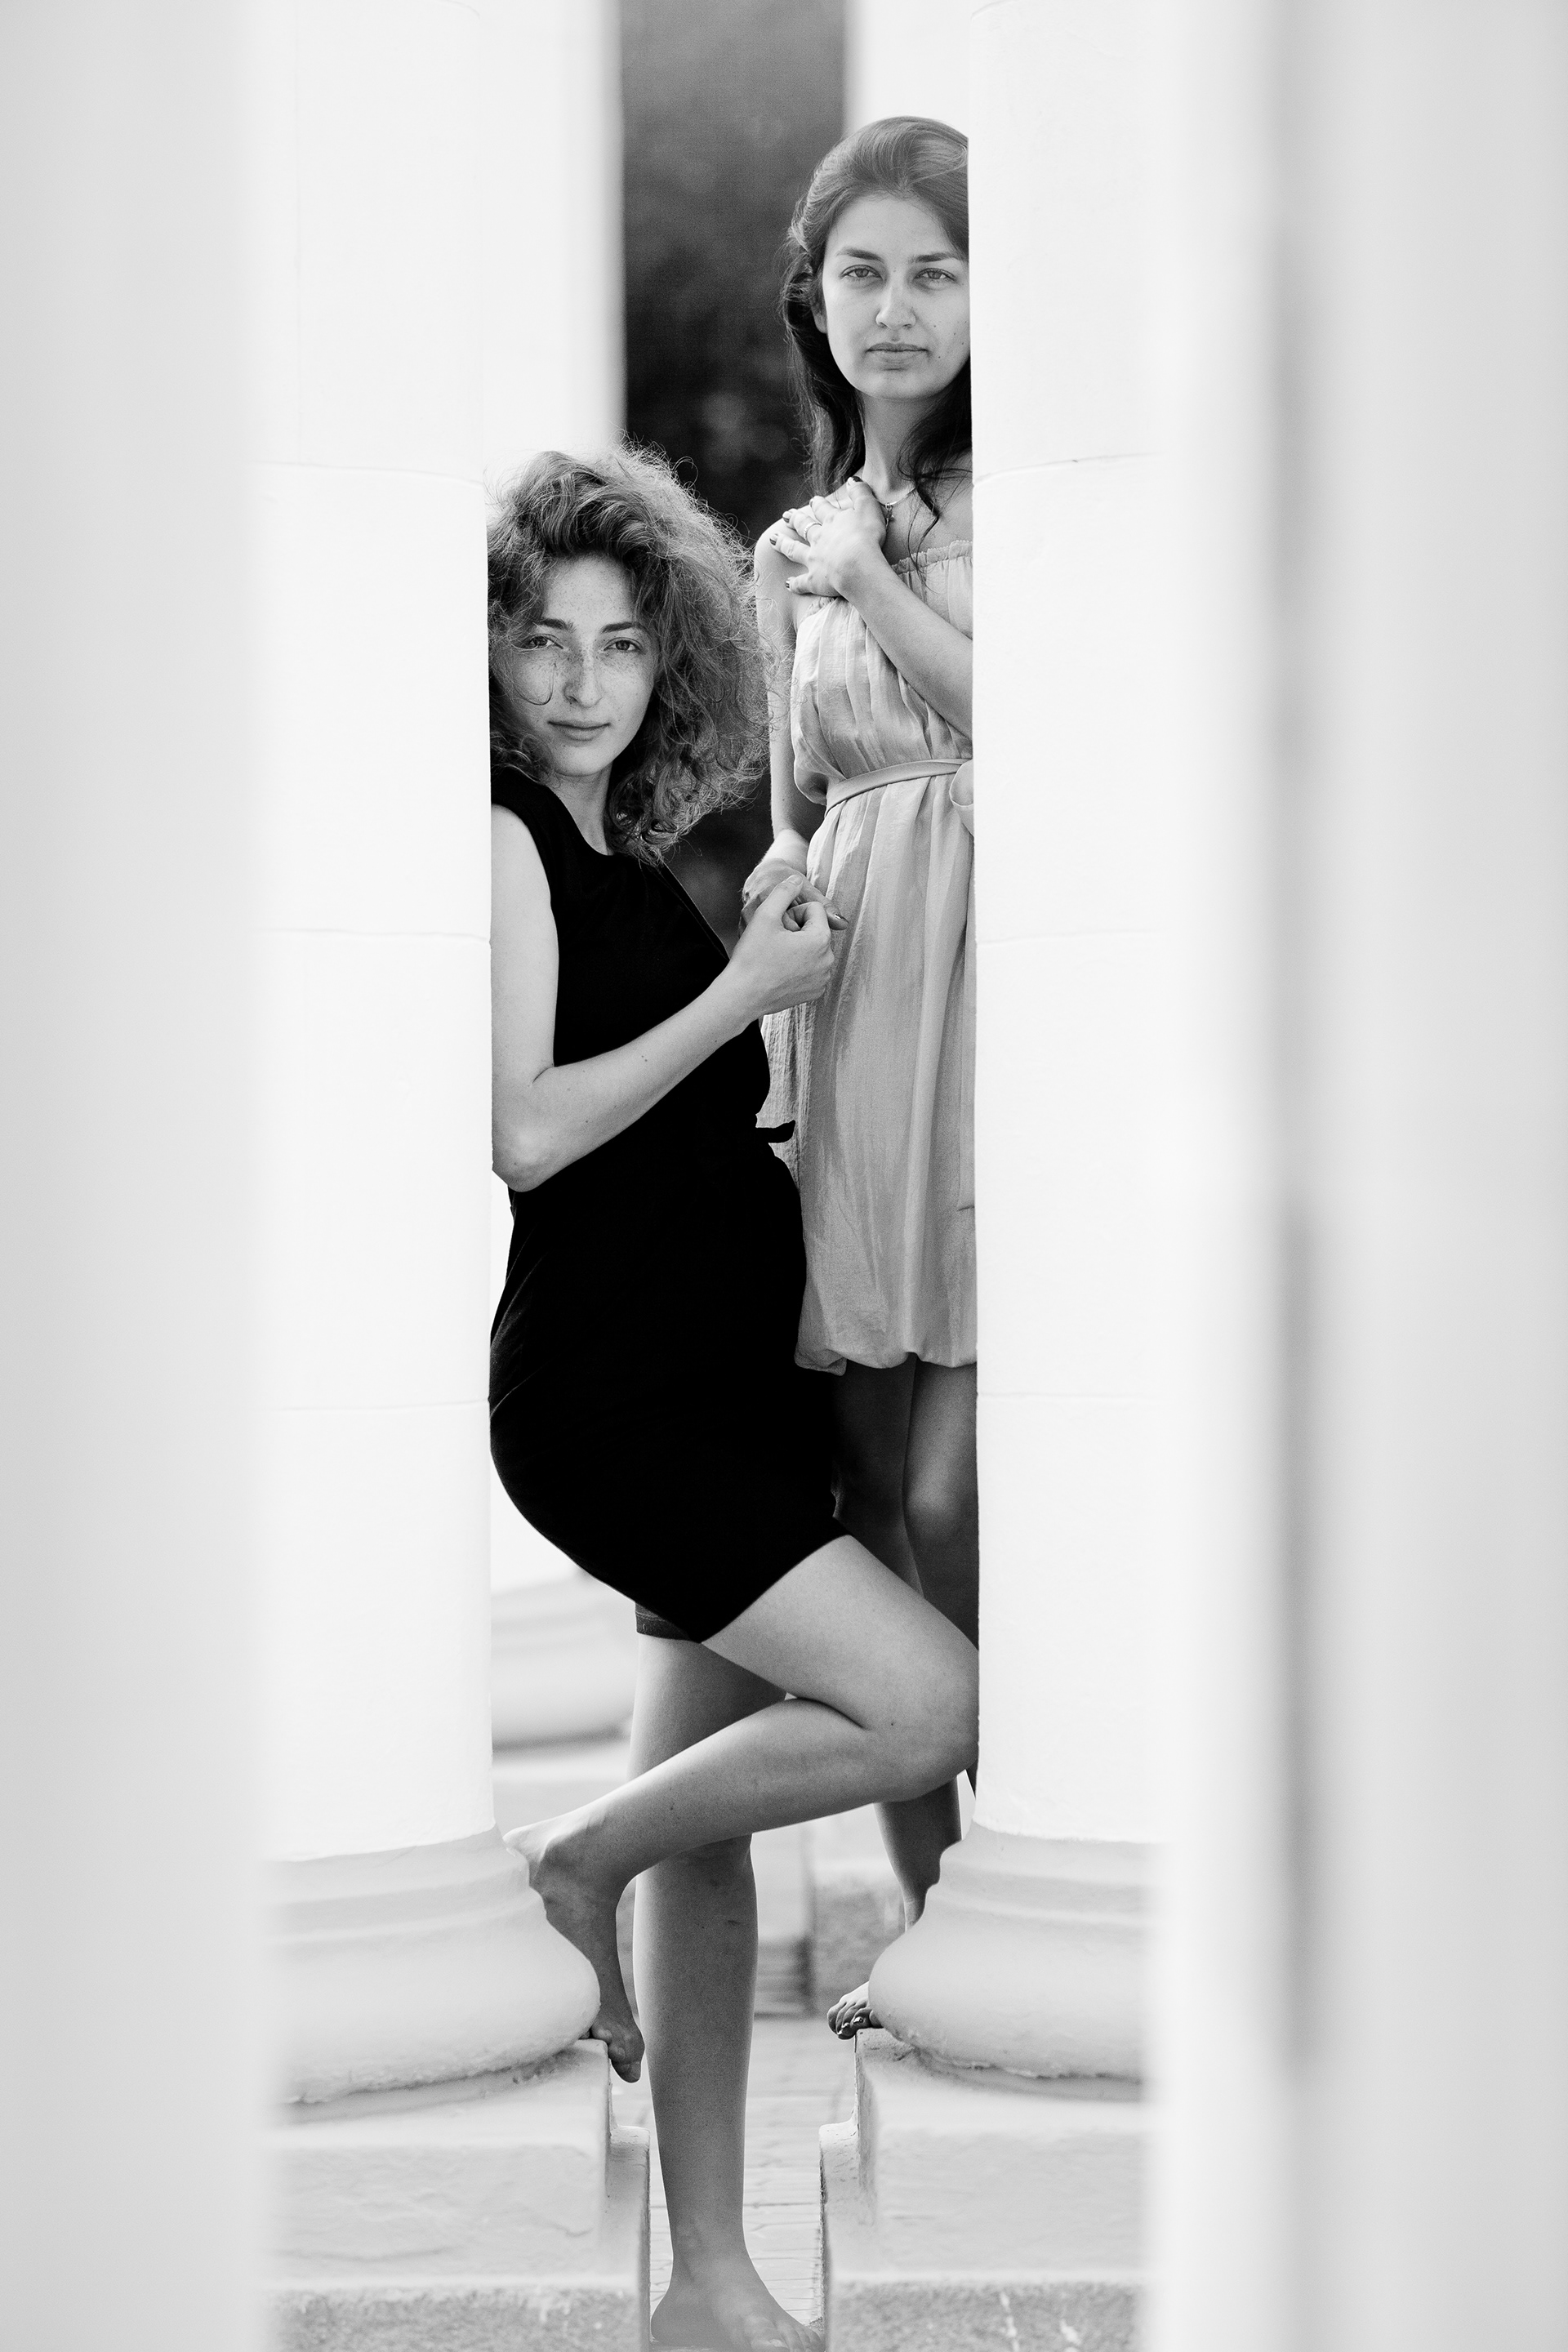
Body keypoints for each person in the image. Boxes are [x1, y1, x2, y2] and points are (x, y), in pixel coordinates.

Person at [488, 447, 978, 2352]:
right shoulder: (503, 839)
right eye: (544, 640)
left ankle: (711, 2279)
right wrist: (735, 995)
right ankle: (573, 1858)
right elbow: (533, 1134)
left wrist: (772, 966)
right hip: (620, 1402)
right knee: (926, 1704)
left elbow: (685, 1120)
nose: (582, 681)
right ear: (490, 655)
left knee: (714, 1828)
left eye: (620, 643)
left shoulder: (617, 856)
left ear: (667, 657)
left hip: (721, 1385)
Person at [744, 118, 978, 2038]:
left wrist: (877, 575)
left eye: (935, 270)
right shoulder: (785, 549)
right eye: (864, 273)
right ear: (815, 304)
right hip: (857, 984)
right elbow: (793, 803)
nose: (896, 309)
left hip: (995, 977)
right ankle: (928, 1922)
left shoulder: (1019, 502)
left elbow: (1041, 722)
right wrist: (774, 906)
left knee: (967, 1480)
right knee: (872, 1480)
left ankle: (1032, 1867)